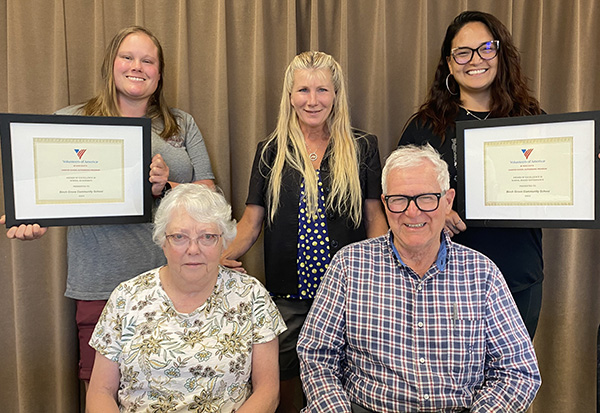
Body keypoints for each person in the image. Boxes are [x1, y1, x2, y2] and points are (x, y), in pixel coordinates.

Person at [0, 26, 214, 384]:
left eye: (148, 60)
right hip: (100, 285)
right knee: (103, 393)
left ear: (159, 74)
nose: (137, 66)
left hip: (175, 282)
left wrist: (168, 186)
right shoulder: (71, 120)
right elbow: (51, 192)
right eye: (128, 57)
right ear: (111, 64)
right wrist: (32, 220)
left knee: (176, 388)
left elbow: (210, 193)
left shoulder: (180, 124)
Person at [297, 144, 541, 412]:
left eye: (426, 198)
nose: (412, 213)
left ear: (447, 201)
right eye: (399, 199)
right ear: (385, 202)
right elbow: (317, 355)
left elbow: (517, 371)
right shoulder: (349, 265)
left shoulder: (482, 273)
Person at [221, 51, 388, 412]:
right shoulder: (270, 151)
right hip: (286, 298)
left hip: (348, 295)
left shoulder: (363, 147)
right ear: (290, 96)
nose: (313, 101)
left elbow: (376, 219)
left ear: (336, 95)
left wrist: (382, 278)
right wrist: (217, 259)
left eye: (322, 90)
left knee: (342, 389)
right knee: (275, 386)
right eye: (303, 91)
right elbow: (251, 222)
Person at [398, 10, 544, 338]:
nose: (474, 59)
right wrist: (433, 209)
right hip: (445, 282)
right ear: (450, 64)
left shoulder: (533, 120)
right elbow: (397, 194)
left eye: (485, 48)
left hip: (518, 278)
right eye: (462, 52)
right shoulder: (424, 127)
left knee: (511, 381)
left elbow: (557, 185)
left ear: (500, 53)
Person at [86, 183, 286, 412]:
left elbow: (268, 392)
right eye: (179, 237)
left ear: (224, 241)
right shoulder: (126, 296)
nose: (193, 249)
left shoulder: (252, 296)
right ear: (163, 241)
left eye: (207, 236)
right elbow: (100, 391)